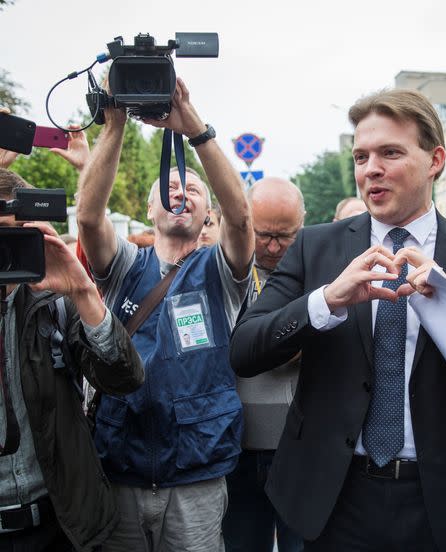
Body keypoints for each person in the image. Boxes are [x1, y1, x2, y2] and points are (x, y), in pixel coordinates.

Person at [229, 89, 446, 551]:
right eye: (361, 156)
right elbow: (245, 349)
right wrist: (326, 300)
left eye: (390, 152)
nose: (371, 168)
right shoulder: (315, 247)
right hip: (333, 497)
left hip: (444, 501)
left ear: (435, 160)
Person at [76, 78, 254, 551]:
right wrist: (113, 126)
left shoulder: (221, 272)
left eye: (193, 187)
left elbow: (240, 219)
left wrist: (191, 123)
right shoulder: (125, 267)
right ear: (150, 207)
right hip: (121, 469)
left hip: (195, 475)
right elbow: (89, 219)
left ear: (207, 213)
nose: (181, 190)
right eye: (170, 185)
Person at [0, 169, 144, 551]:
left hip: (59, 523)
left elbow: (124, 379)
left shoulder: (54, 303)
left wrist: (83, 290)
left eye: (11, 233)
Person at [223, 177, 305, 552]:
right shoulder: (228, 273)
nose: (273, 247)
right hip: (236, 446)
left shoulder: (315, 268)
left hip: (298, 445)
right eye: (264, 235)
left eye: (285, 236)